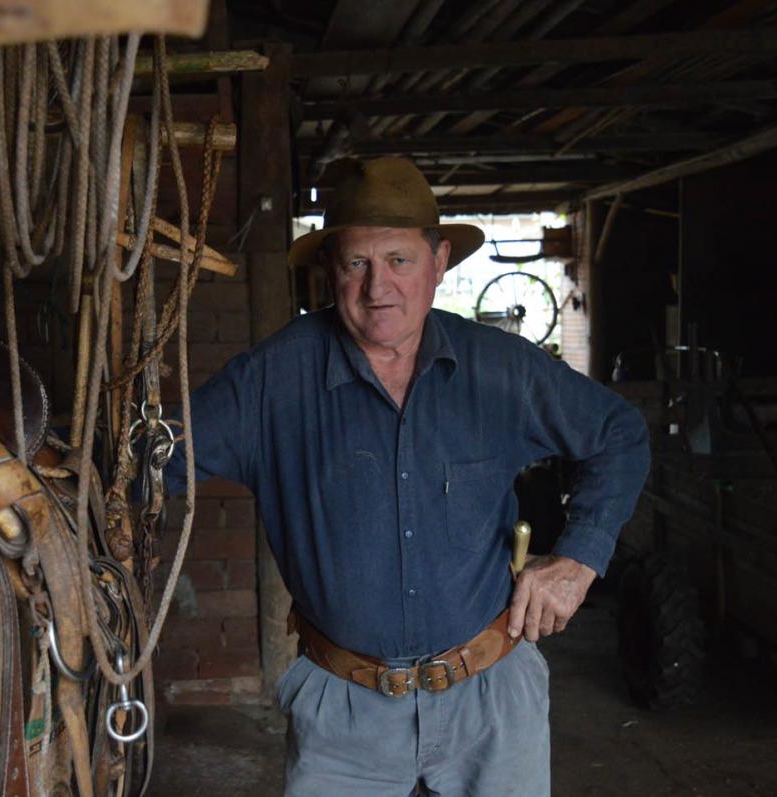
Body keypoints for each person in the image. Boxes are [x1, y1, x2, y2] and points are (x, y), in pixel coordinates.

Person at [166, 158, 650, 796]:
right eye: (356, 263)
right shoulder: (270, 382)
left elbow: (621, 434)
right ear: (329, 269)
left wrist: (578, 560)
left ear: (439, 261)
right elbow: (150, 461)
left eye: (398, 260)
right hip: (344, 712)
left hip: (492, 698)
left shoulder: (502, 371)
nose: (378, 287)